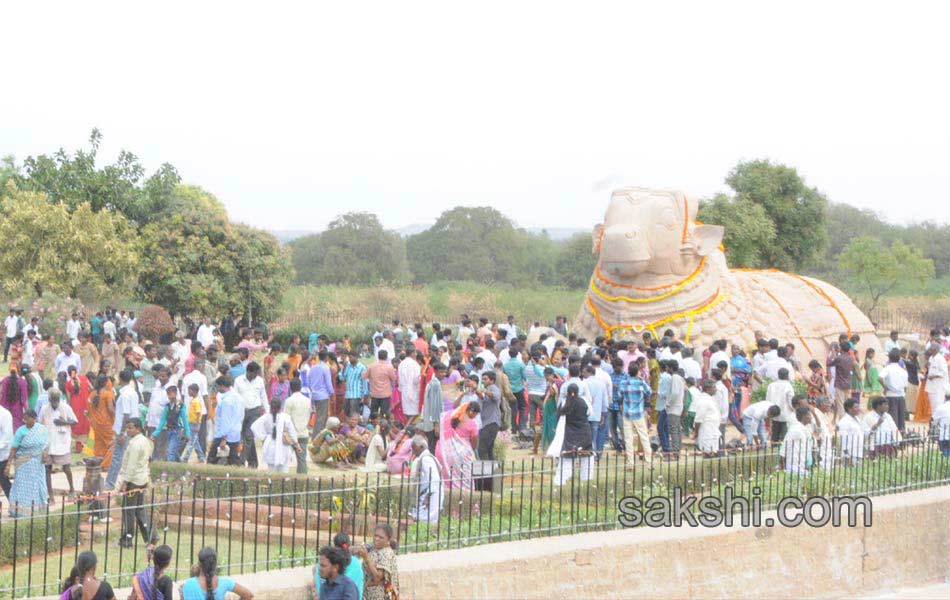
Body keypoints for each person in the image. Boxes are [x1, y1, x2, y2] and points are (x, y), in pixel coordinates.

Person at [117, 418, 157, 548]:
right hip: (142, 479)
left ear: (138, 428)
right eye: (127, 428)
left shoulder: (135, 444)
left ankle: (127, 539)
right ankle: (151, 537)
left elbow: (131, 465)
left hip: (133, 481)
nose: (128, 430)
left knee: (129, 511)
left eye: (131, 428)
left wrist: (125, 482)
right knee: (140, 509)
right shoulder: (145, 441)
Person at [39, 388, 78, 499]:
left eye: (56, 400)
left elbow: (75, 422)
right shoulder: (44, 409)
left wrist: (63, 422)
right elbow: (40, 424)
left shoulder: (66, 408)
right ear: (49, 399)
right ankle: (50, 495)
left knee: (66, 468)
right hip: (48, 443)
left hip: (62, 443)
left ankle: (72, 489)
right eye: (53, 400)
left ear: (59, 399)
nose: (55, 403)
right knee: (47, 469)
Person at [554, 383, 594, 486]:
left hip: (570, 434)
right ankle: (586, 478)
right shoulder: (584, 401)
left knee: (567, 456)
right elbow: (590, 413)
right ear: (578, 392)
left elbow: (559, 415)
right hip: (584, 433)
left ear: (567, 392)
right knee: (586, 455)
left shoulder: (564, 402)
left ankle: (562, 479)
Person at [436, 401, 480, 490]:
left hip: (442, 453)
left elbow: (437, 432)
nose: (474, 417)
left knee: (446, 482)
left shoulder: (446, 416)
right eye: (475, 415)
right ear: (472, 411)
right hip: (461, 458)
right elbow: (474, 444)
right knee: (465, 484)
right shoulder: (472, 424)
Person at [181, 547, 254, 600]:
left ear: (199, 564)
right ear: (215, 564)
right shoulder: (224, 582)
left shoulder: (187, 585)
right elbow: (249, 595)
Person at [251, 398, 301, 473]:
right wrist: (296, 443)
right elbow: (292, 432)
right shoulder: (286, 417)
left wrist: (264, 437)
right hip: (284, 448)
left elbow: (254, 427)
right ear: (281, 407)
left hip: (270, 446)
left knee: (271, 473)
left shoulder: (266, 417)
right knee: (284, 473)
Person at [353, 523, 399, 600]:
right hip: (368, 594)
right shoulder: (375, 549)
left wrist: (366, 557)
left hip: (379, 595)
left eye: (381, 537)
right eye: (375, 536)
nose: (376, 539)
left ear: (388, 540)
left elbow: (377, 577)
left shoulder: (386, 554)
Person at [619, 362, 652, 464]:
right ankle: (648, 460)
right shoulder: (641, 383)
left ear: (628, 371)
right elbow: (649, 392)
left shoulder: (623, 383)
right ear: (637, 372)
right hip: (639, 413)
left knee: (628, 439)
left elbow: (619, 395)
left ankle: (630, 462)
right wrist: (642, 379)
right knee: (644, 437)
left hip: (627, 413)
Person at [313, 533, 363, 600]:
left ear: (335, 568)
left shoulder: (348, 587)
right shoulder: (324, 587)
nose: (319, 568)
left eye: (323, 566)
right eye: (320, 565)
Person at [208, 376, 243, 466]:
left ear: (222, 386)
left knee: (212, 460)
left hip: (224, 434)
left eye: (218, 387)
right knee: (233, 460)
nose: (218, 389)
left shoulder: (226, 401)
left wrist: (223, 438)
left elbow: (225, 420)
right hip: (235, 433)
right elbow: (241, 416)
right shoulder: (239, 398)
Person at [409, 434, 442, 524]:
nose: (413, 452)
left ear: (421, 447)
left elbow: (434, 478)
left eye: (414, 448)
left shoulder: (426, 459)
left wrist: (428, 495)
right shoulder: (428, 457)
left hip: (430, 495)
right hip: (429, 494)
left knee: (426, 521)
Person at [284, 378, 312, 474]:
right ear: (300, 387)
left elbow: (286, 419)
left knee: (286, 460)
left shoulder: (289, 401)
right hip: (303, 434)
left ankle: (284, 481)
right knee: (302, 461)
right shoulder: (308, 401)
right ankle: (303, 482)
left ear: (290, 388)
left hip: (291, 436)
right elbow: (309, 416)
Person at [879, 348, 909, 433]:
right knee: (901, 418)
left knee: (892, 418)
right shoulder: (903, 370)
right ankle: (901, 436)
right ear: (899, 358)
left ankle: (893, 437)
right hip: (901, 396)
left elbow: (880, 378)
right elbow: (906, 386)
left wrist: (885, 387)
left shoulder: (887, 368)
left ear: (889, 358)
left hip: (890, 395)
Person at [417, 362, 445, 450]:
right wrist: (436, 424)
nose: (443, 374)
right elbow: (434, 406)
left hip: (430, 421)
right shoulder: (435, 384)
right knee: (433, 447)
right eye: (441, 372)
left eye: (444, 372)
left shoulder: (434, 383)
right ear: (435, 372)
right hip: (433, 423)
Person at [779, 406, 814, 475]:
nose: (811, 417)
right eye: (809, 415)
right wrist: (782, 467)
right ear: (804, 416)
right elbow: (784, 449)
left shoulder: (805, 429)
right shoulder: (795, 430)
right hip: (794, 465)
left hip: (802, 465)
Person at [363, 351, 396, 422]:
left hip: (375, 394)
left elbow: (364, 376)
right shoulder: (389, 367)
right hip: (385, 394)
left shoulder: (371, 366)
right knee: (384, 413)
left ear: (378, 356)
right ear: (386, 357)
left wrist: (371, 376)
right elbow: (393, 378)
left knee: (373, 413)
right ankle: (383, 427)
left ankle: (372, 426)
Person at [691, 380, 721, 457]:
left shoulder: (710, 398)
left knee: (714, 453)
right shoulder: (703, 400)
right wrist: (696, 432)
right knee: (708, 453)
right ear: (707, 389)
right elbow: (698, 419)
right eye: (714, 387)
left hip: (713, 431)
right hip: (707, 432)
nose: (715, 389)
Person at [476, 371, 502, 460]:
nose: (483, 381)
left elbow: (496, 396)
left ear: (492, 380)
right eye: (482, 379)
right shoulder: (487, 389)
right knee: (489, 449)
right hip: (486, 423)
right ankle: (492, 471)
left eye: (485, 379)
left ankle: (486, 471)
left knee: (482, 449)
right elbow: (483, 399)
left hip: (491, 422)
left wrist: (484, 390)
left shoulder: (493, 388)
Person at [766, 368, 795, 443]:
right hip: (786, 415)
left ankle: (773, 449)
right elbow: (791, 401)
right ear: (787, 376)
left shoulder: (771, 385)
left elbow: (767, 400)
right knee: (784, 437)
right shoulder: (788, 386)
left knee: (774, 435)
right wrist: (793, 410)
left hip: (774, 414)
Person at [837, 399, 868, 466]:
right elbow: (844, 439)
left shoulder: (858, 419)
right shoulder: (844, 421)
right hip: (851, 454)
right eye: (856, 407)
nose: (858, 409)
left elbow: (865, 432)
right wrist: (847, 455)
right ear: (849, 409)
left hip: (859, 452)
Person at [181, 383, 207, 463]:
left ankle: (186, 458)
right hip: (190, 423)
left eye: (189, 391)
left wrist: (198, 424)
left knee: (191, 441)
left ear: (194, 391)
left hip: (194, 424)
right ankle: (201, 456)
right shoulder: (193, 401)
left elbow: (199, 413)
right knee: (196, 441)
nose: (188, 392)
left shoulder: (196, 402)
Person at [0, 367, 28, 431]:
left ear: (9, 370)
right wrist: (26, 410)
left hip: (4, 408)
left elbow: (1, 395)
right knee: (16, 429)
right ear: (18, 370)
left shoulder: (4, 381)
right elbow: (24, 399)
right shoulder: (22, 381)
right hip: (18, 411)